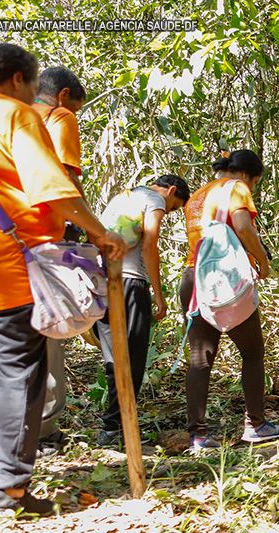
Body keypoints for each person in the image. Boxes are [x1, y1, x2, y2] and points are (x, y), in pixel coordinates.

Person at [0, 43, 124, 517]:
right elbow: (53, 189)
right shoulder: (14, 114)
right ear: (18, 79)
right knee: (19, 376)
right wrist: (102, 234)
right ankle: (8, 490)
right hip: (6, 266)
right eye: (34, 84)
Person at [180, 150, 279, 449]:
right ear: (251, 176)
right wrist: (262, 260)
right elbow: (242, 226)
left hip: (194, 279)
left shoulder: (199, 194)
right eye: (255, 184)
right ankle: (256, 424)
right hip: (225, 280)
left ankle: (198, 434)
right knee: (252, 353)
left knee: (201, 358)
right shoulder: (236, 187)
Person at [95, 175, 190, 447]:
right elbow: (150, 243)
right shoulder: (154, 198)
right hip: (130, 282)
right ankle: (119, 425)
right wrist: (158, 295)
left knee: (114, 355)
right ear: (171, 191)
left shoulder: (122, 196)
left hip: (104, 281)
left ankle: (112, 427)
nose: (168, 211)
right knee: (134, 357)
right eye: (174, 207)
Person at [31, 66, 87, 449]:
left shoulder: (5, 116)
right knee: (48, 331)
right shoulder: (58, 116)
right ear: (63, 96)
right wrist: (90, 230)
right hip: (43, 238)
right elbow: (67, 180)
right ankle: (44, 431)